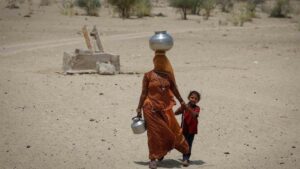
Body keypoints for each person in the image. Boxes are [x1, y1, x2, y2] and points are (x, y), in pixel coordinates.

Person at [136, 50, 189, 169]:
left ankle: (185, 153)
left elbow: (175, 90)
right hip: (150, 109)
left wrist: (181, 101)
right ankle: (153, 158)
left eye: (162, 60)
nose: (159, 62)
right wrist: (139, 107)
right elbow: (144, 93)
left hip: (166, 108)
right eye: (157, 60)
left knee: (174, 130)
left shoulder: (168, 76)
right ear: (154, 61)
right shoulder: (148, 75)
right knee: (153, 134)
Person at [175, 90, 201, 167]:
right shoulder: (185, 106)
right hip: (184, 128)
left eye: (195, 98)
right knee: (181, 143)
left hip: (192, 130)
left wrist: (187, 107)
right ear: (188, 98)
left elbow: (194, 114)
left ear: (197, 101)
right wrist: (182, 107)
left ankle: (186, 158)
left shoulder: (197, 108)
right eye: (192, 97)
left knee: (189, 144)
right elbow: (176, 113)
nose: (193, 99)